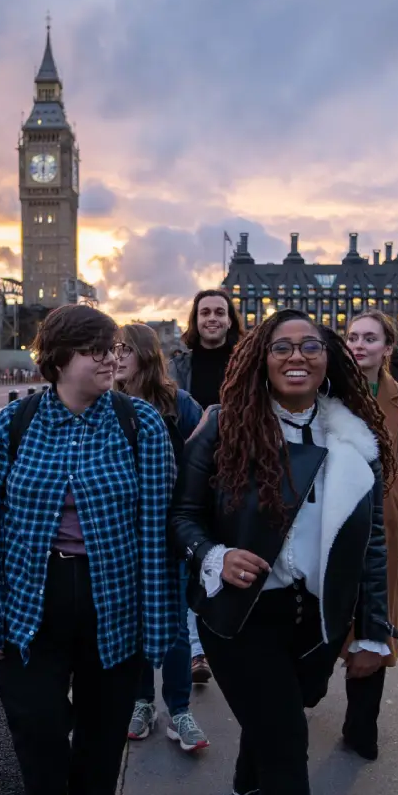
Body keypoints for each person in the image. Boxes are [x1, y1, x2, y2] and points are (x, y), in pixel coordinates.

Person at [169, 308, 395, 795]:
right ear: (260, 359)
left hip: (313, 620)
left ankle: (246, 793)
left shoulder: (355, 440)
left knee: (279, 719)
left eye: (311, 346)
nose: (297, 356)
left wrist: (375, 634)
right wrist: (214, 554)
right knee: (284, 742)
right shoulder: (223, 427)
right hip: (238, 616)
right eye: (281, 347)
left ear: (330, 359)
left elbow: (373, 545)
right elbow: (180, 516)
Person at [0, 305, 179, 795]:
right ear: (59, 359)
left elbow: (158, 533)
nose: (111, 358)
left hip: (115, 602)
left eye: (113, 347)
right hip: (33, 599)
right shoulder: (15, 425)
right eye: (95, 349)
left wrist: (160, 628)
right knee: (33, 719)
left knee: (103, 725)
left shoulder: (140, 425)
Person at [114, 322, 209, 752]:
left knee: (171, 622)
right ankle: (141, 701)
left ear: (145, 355)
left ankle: (180, 710)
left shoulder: (177, 402)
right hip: (121, 532)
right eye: (111, 349)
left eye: (124, 349)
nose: (115, 357)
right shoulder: (105, 403)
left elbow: (205, 454)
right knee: (131, 622)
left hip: (167, 529)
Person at [341, 311, 398, 759]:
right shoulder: (325, 393)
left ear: (387, 349)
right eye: (353, 337)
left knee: (373, 619)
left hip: (381, 526)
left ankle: (361, 726)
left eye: (370, 338)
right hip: (331, 522)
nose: (360, 345)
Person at [169, 289, 243, 689]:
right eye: (204, 313)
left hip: (236, 471)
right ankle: (197, 650)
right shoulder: (178, 365)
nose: (212, 318)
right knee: (190, 556)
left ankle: (226, 637)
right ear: (195, 320)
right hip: (192, 469)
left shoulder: (246, 360)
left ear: (230, 319)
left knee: (228, 552)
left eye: (219, 312)